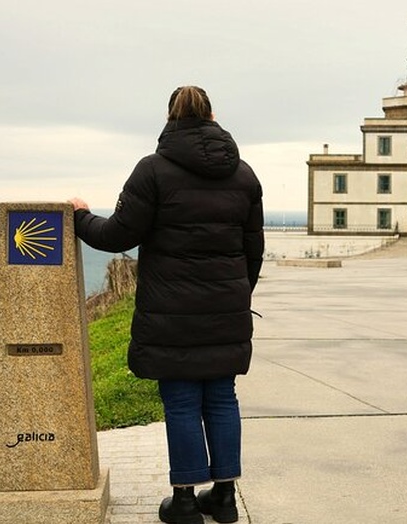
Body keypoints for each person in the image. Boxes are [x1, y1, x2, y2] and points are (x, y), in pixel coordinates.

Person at [70, 85, 264, 524]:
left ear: (171, 118)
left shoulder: (153, 171)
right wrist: (234, 296)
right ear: (213, 115)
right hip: (226, 312)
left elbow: (117, 235)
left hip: (170, 316)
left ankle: (184, 502)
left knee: (180, 403)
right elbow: (253, 251)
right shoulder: (245, 175)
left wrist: (81, 215)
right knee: (221, 399)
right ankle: (225, 498)